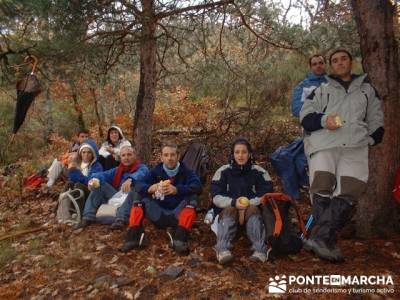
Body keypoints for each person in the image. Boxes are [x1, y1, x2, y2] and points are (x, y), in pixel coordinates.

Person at [300, 49, 384, 262]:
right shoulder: (321, 90)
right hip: (324, 144)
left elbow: (377, 121)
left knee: (350, 192)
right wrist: (323, 121)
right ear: (331, 66)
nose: (339, 63)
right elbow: (305, 116)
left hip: (355, 147)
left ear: (351, 62)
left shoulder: (367, 90)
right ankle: (324, 240)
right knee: (321, 189)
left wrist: (371, 139)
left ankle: (319, 238)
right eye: (335, 60)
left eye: (343, 58)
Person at [121, 142, 202, 255]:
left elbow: (197, 187)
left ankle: (180, 239)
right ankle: (133, 237)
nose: (169, 158)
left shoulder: (187, 172)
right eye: (166, 155)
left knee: (193, 196)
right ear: (162, 157)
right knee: (138, 193)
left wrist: (177, 190)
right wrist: (150, 188)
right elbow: (139, 184)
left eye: (172, 155)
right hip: (158, 214)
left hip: (177, 215)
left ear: (178, 156)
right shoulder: (156, 172)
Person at [210, 138, 273, 264]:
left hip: (253, 212)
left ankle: (260, 250)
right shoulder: (223, 171)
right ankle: (222, 249)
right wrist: (234, 202)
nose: (240, 155)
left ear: (249, 154)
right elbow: (216, 197)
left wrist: (249, 203)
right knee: (230, 209)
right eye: (237, 152)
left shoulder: (259, 172)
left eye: (244, 152)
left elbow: (266, 196)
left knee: (253, 209)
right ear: (232, 154)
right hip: (229, 212)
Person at [75, 145, 149, 229]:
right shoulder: (118, 170)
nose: (126, 158)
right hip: (118, 196)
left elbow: (142, 174)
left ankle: (120, 219)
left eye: (129, 154)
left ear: (134, 156)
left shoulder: (142, 167)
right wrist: (94, 179)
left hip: (132, 198)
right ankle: (87, 217)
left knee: (136, 187)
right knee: (99, 184)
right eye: (123, 155)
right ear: (120, 157)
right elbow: (103, 174)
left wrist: (131, 179)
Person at [291, 54, 327, 118]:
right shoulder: (302, 86)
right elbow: (297, 110)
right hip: (313, 125)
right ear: (311, 67)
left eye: (321, 63)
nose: (318, 66)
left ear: (325, 64)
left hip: (336, 124)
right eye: (314, 64)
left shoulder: (334, 83)